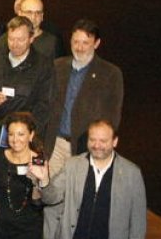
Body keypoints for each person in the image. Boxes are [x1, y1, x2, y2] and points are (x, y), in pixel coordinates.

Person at [43, 19, 123, 178]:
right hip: (55, 145)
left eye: (85, 43)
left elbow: (113, 115)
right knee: (50, 195)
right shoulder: (57, 66)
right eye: (75, 42)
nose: (79, 48)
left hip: (87, 148)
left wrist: (101, 144)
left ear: (97, 43)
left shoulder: (110, 73)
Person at [0, 16, 53, 147]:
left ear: (31, 38)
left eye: (20, 40)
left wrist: (27, 131)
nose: (15, 44)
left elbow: (44, 105)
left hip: (23, 138)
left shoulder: (43, 66)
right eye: (11, 39)